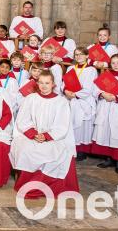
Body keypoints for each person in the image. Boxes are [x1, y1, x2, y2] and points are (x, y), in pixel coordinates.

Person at [10, 70, 79, 199]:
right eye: (41, 82)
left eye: (47, 83)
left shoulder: (61, 102)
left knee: (57, 152)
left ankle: (47, 186)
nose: (44, 86)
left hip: (54, 137)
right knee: (26, 149)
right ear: (36, 83)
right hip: (32, 134)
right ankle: (28, 185)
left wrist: (46, 136)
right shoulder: (31, 98)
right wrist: (34, 134)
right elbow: (23, 120)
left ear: (53, 84)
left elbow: (62, 125)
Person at [62, 47, 98, 160]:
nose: (78, 57)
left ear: (87, 56)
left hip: (84, 101)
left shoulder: (91, 70)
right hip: (71, 99)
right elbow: (64, 83)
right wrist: (65, 91)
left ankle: (82, 150)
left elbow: (89, 88)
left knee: (82, 126)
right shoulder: (71, 68)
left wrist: (76, 95)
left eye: (81, 54)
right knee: (72, 125)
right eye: (76, 54)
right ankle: (71, 148)